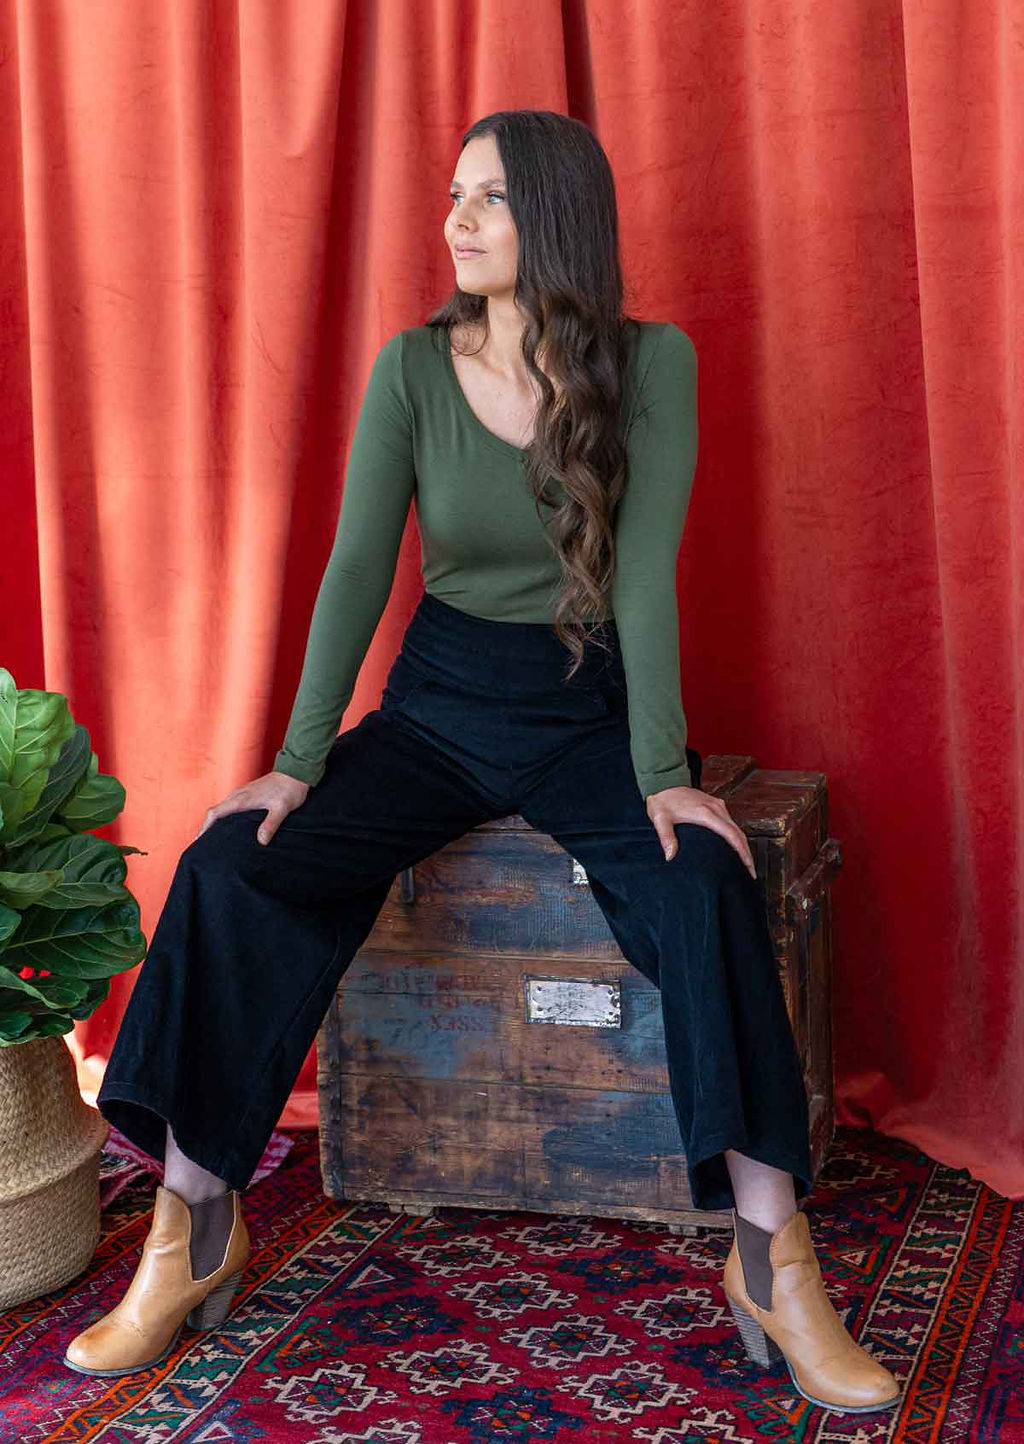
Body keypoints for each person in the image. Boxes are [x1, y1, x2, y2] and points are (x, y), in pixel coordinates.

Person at [64, 109, 900, 1414]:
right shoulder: (411, 369)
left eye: (489, 199)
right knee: (236, 866)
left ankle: (771, 1259)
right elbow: (354, 572)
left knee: (704, 891)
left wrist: (666, 771)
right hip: (442, 703)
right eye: (452, 195)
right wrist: (293, 764)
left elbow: (642, 578)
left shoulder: (652, 364)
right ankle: (190, 1228)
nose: (455, 219)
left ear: (555, 215)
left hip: (589, 704)